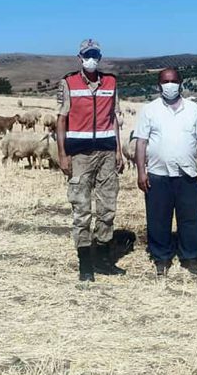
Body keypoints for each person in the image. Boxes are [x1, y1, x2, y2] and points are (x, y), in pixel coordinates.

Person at [56, 39, 125, 282]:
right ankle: (85, 263)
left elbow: (113, 118)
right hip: (80, 155)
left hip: (107, 152)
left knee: (107, 208)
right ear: (80, 57)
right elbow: (61, 120)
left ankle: (104, 259)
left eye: (95, 54)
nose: (91, 59)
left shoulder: (111, 82)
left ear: (100, 56)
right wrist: (63, 154)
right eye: (87, 55)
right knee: (82, 209)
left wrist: (118, 150)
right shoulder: (69, 82)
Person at [135, 68, 197, 276]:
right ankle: (161, 257)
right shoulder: (150, 110)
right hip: (158, 173)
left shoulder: (193, 109)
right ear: (159, 85)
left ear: (181, 83)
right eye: (165, 81)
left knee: (190, 218)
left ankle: (191, 257)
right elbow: (141, 142)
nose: (170, 85)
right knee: (158, 218)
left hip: (187, 173)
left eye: (173, 81)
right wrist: (141, 171)